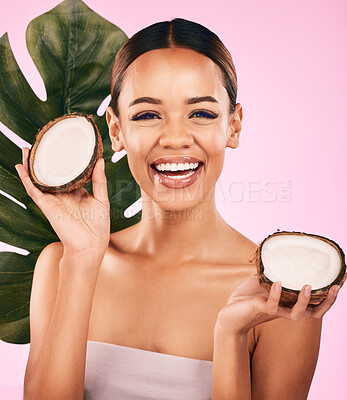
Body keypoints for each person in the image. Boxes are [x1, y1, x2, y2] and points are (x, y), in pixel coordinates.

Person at [16, 18, 343, 400]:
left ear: (234, 126)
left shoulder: (277, 294)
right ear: (117, 131)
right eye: (147, 115)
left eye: (201, 113)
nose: (174, 138)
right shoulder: (62, 264)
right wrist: (82, 259)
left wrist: (231, 335)